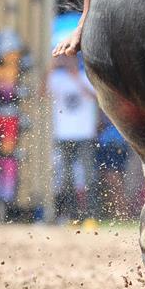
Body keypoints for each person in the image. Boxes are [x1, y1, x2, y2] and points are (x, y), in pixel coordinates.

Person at [46, 54, 97, 221]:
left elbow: (95, 98)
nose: (67, 62)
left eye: (70, 59)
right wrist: (51, 67)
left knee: (89, 176)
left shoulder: (86, 77)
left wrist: (76, 77)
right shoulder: (57, 78)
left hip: (85, 134)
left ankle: (91, 216)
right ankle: (72, 216)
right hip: (63, 135)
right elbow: (41, 93)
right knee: (66, 178)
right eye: (64, 59)